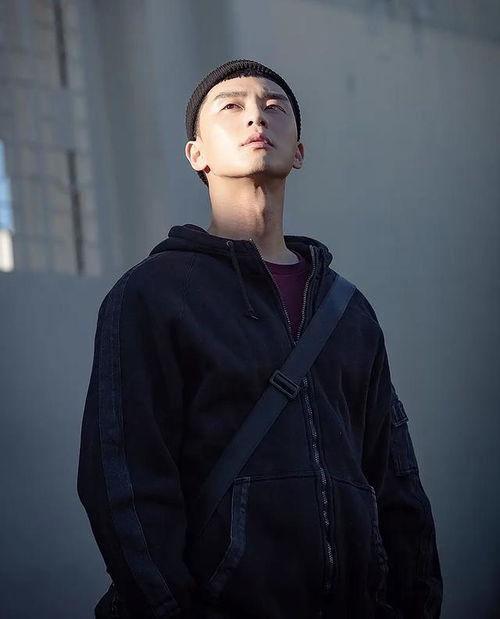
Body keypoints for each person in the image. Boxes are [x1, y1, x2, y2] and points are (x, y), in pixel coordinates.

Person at [77, 59, 443, 619]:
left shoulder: (348, 310)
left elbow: (394, 478)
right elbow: (123, 481)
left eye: (275, 107)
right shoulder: (151, 295)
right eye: (232, 106)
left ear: (299, 151)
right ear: (196, 154)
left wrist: (414, 602)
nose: (257, 116)